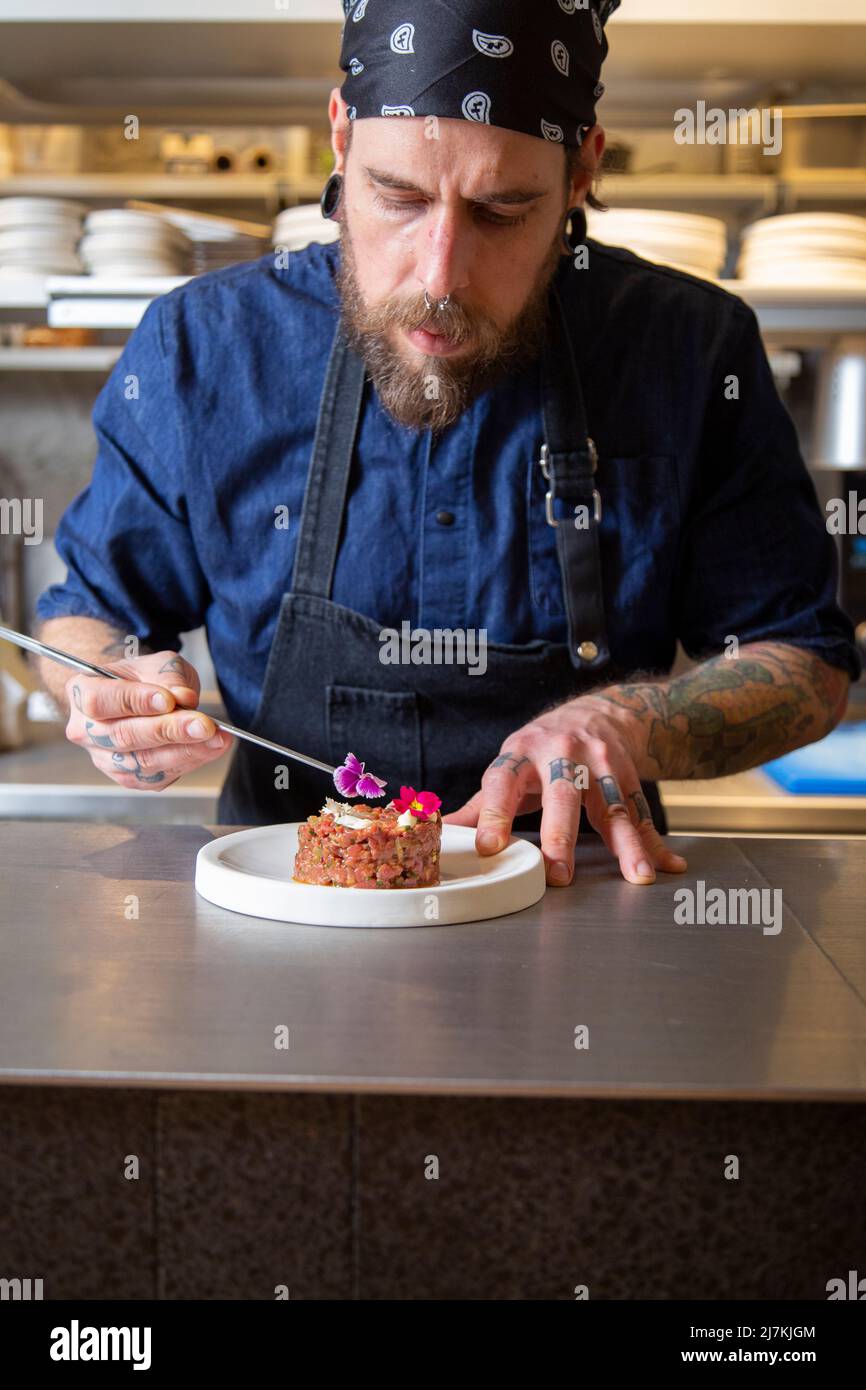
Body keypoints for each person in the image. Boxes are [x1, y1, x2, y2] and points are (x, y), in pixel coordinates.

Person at [35, 1, 860, 889]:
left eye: (502, 211)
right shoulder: (204, 346)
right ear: (341, 140)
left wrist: (631, 723)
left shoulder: (688, 349)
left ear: (583, 170)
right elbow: (88, 616)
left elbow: (804, 662)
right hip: (284, 914)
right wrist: (112, 689)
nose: (439, 276)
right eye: (398, 198)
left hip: (584, 917)